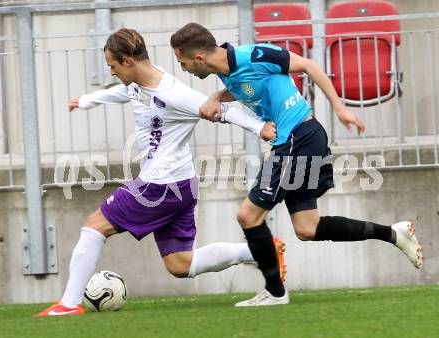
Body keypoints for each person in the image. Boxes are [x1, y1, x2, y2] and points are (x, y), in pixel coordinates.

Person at [34, 28, 287, 317]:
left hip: (160, 186)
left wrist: (260, 128)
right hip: (180, 185)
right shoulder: (140, 81)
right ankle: (263, 249)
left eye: (113, 66)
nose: (112, 71)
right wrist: (90, 100)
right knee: (181, 265)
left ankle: (68, 304)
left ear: (128, 61)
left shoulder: (174, 94)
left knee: (94, 225)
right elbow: (125, 92)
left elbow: (222, 111)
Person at [170, 22, 423, 307]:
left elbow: (308, 65)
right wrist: (217, 96)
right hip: (300, 141)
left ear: (199, 58)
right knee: (308, 228)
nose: (185, 69)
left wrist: (339, 108)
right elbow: (246, 87)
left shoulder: (253, 55)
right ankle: (393, 233)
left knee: (247, 216)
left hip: (298, 139)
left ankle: (275, 292)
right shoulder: (225, 72)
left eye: (184, 63)